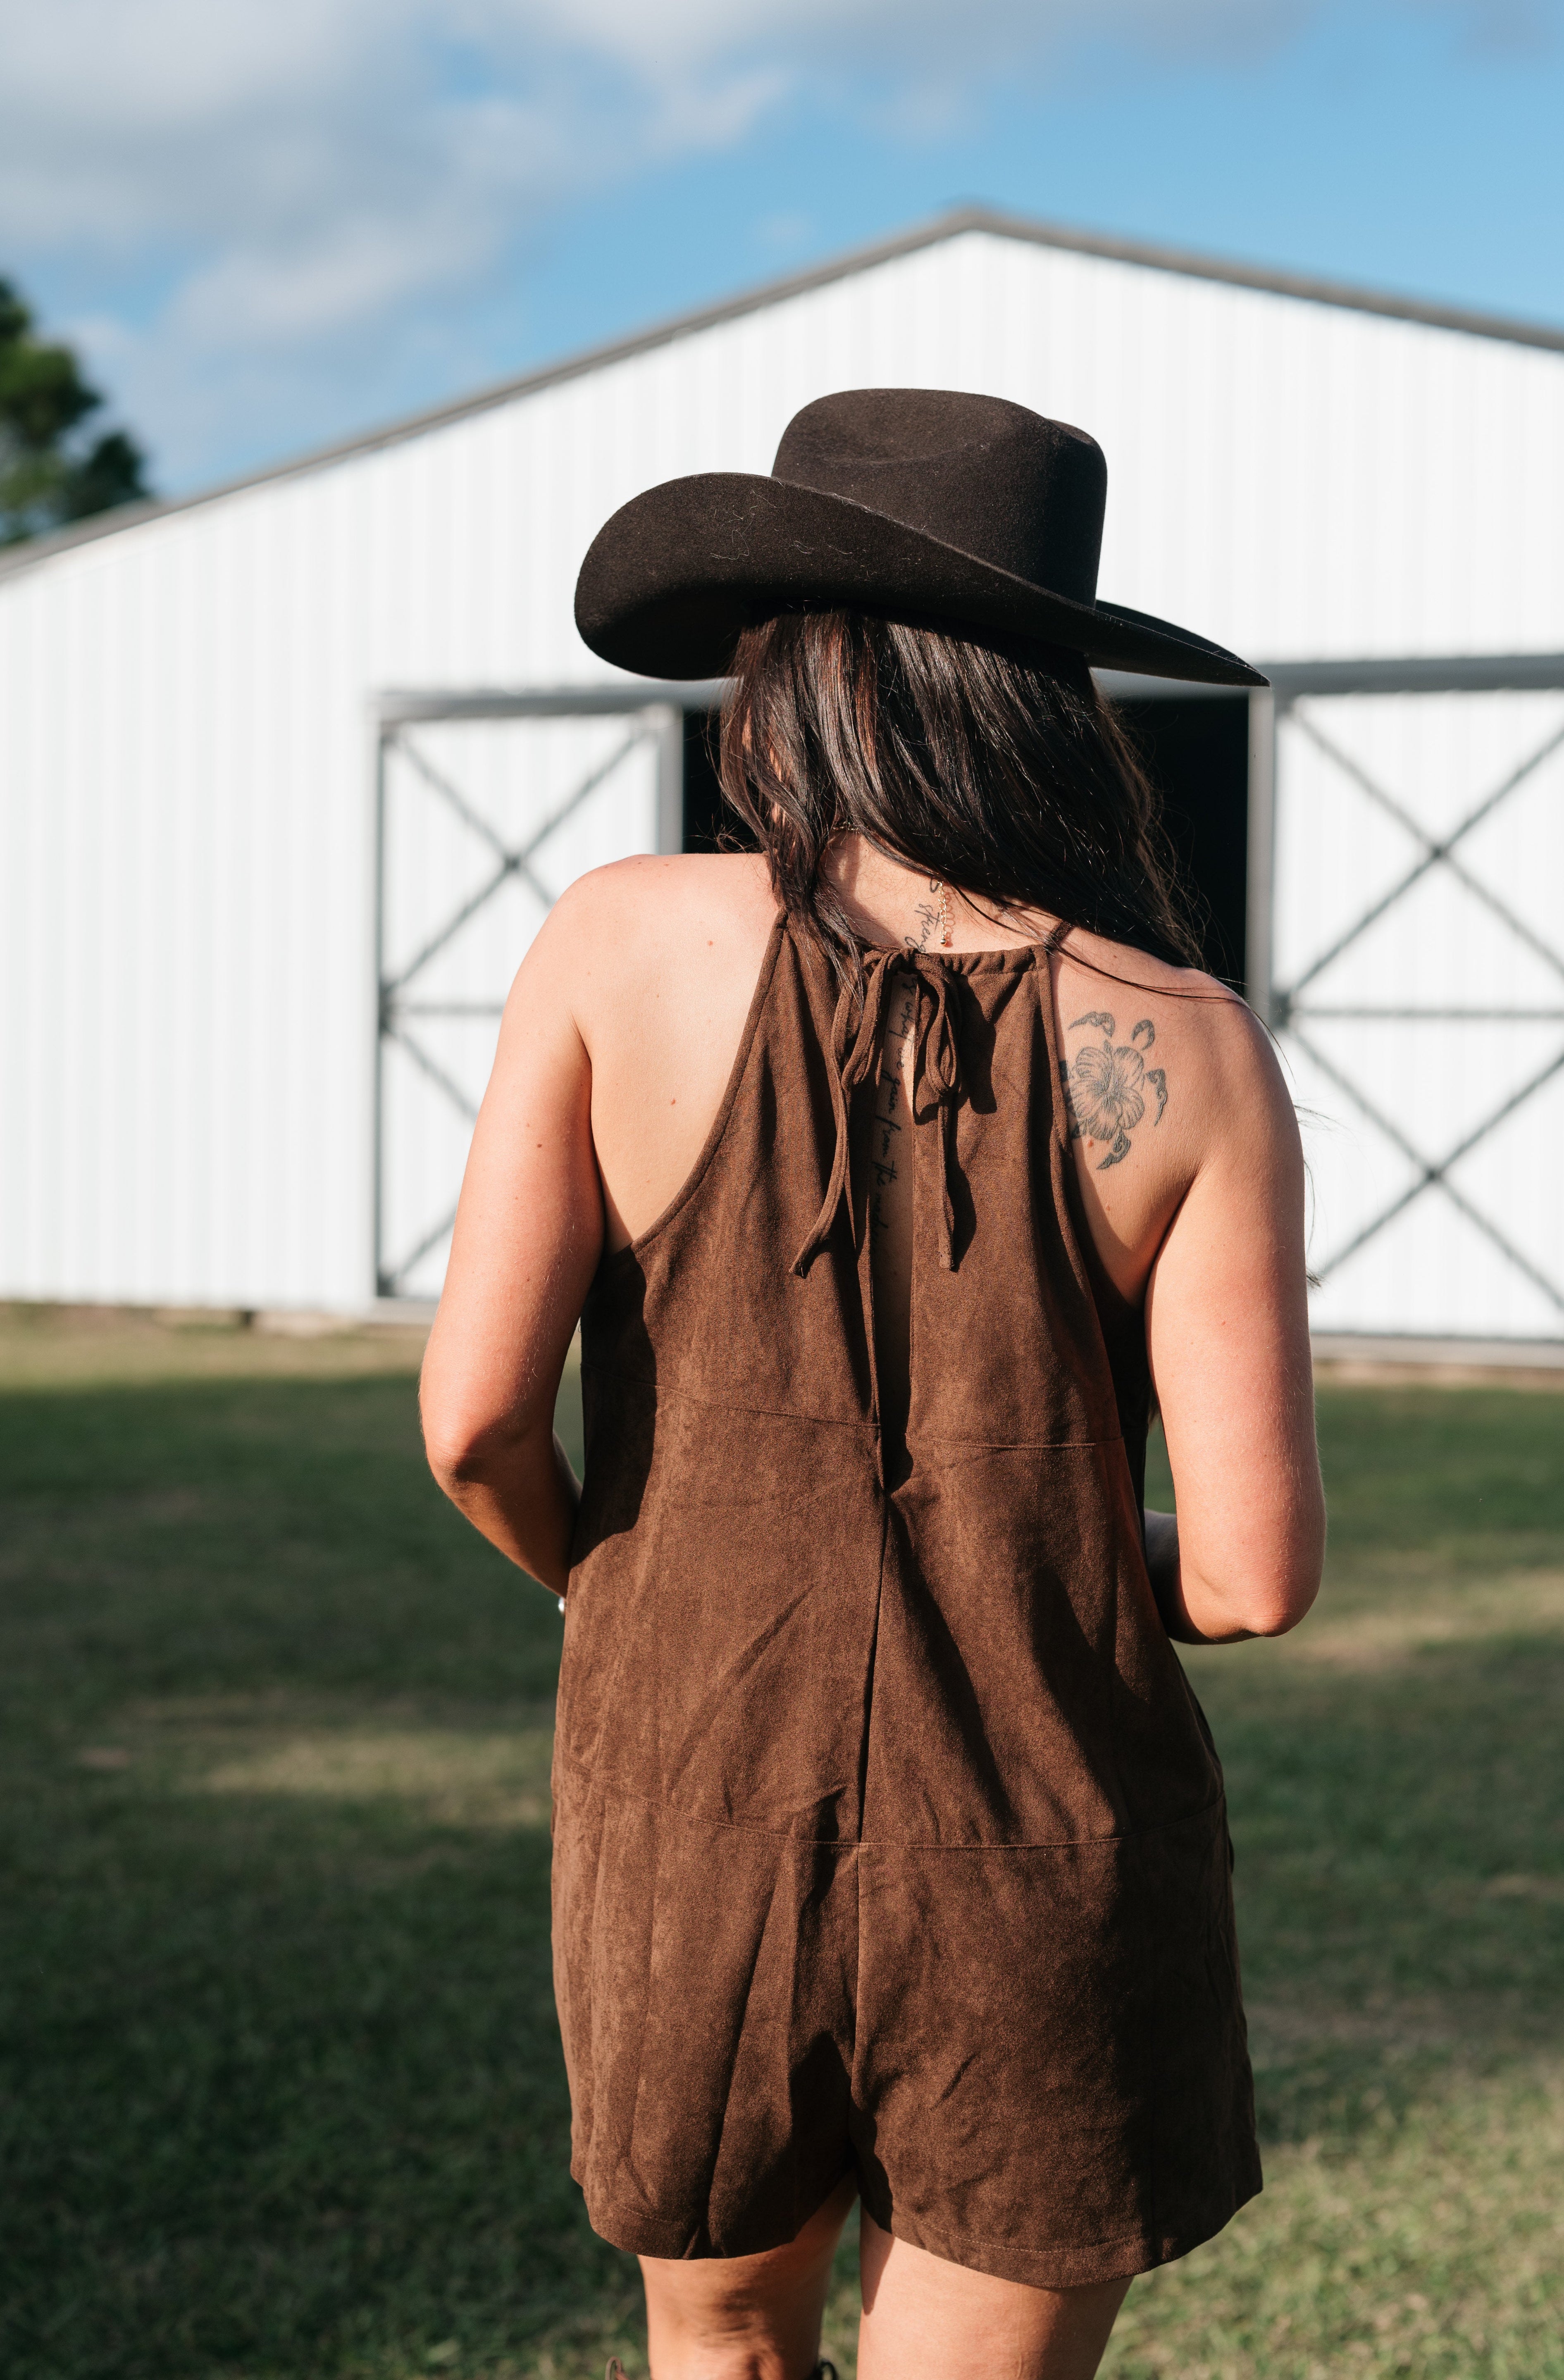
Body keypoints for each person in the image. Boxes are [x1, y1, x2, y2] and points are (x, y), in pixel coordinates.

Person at [420, 389, 1326, 2380]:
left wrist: (620, 1577)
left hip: (691, 1810)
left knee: (721, 2354)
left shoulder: (615, 940)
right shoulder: (1185, 1045)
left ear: (792, 668)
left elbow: (473, 1418)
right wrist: (1048, 1536)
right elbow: (1252, 1577)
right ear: (1046, 694)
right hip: (1043, 1844)